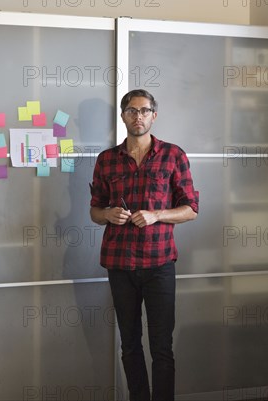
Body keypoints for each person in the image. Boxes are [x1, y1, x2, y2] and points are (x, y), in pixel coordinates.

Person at [90, 89, 199, 401]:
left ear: (154, 115)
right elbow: (94, 211)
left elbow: (191, 209)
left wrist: (157, 215)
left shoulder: (173, 156)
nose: (138, 116)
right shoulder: (106, 160)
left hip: (159, 265)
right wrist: (107, 213)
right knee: (129, 344)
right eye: (132, 111)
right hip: (119, 264)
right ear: (123, 115)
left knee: (162, 347)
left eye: (144, 110)